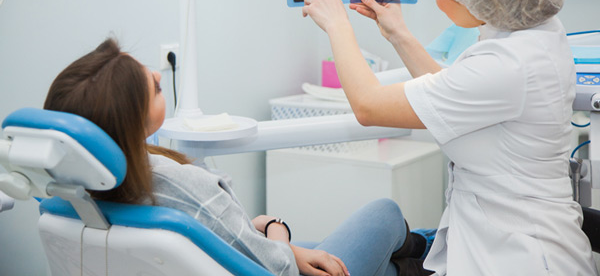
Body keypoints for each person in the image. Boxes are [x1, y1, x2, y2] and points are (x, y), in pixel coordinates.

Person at [301, 0, 598, 275]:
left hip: (518, 258)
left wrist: (336, 24)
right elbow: (457, 94)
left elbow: (368, 106)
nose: (435, 1)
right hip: (494, 240)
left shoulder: (509, 64)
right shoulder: (533, 33)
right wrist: (398, 34)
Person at [43, 38, 435, 276]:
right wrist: (275, 230)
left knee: (383, 269)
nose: (159, 78)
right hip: (266, 267)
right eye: (157, 89)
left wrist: (256, 234)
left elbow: (215, 238)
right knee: (383, 213)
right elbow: (274, 267)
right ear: (128, 120)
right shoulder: (186, 184)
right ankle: (430, 251)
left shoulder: (75, 194)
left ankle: (416, 263)